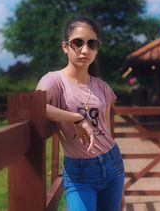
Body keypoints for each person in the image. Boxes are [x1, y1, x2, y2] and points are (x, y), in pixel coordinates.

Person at [36, 16, 124, 211]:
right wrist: (77, 118)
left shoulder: (102, 87)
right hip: (80, 173)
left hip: (113, 165)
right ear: (65, 46)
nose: (85, 50)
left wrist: (121, 191)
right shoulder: (54, 80)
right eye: (78, 43)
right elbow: (34, 106)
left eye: (92, 44)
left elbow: (106, 130)